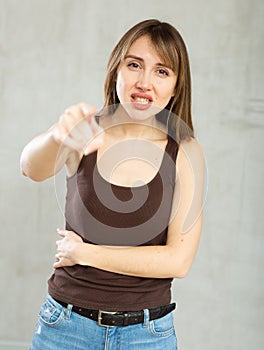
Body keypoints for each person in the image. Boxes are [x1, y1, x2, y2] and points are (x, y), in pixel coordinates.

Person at [21, 19, 205, 350]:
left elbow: (178, 260)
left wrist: (85, 253)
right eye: (134, 65)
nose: (144, 81)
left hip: (147, 334)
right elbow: (30, 167)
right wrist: (56, 137)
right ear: (116, 69)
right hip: (65, 327)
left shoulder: (184, 151)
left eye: (162, 71)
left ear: (177, 86)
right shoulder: (86, 129)